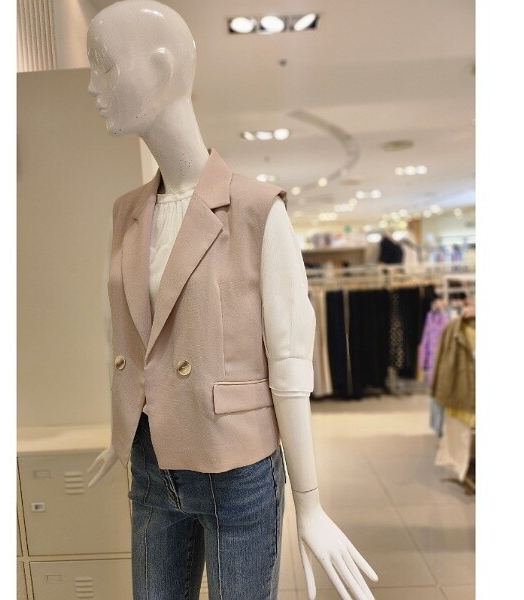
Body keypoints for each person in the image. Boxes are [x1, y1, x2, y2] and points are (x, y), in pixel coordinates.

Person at [85, 2, 377, 599]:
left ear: (159, 70)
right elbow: (125, 335)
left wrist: (310, 502)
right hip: (149, 459)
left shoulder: (256, 209)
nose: (92, 86)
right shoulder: (126, 212)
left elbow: (290, 361)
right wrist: (121, 428)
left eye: (105, 67)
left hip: (237, 471)